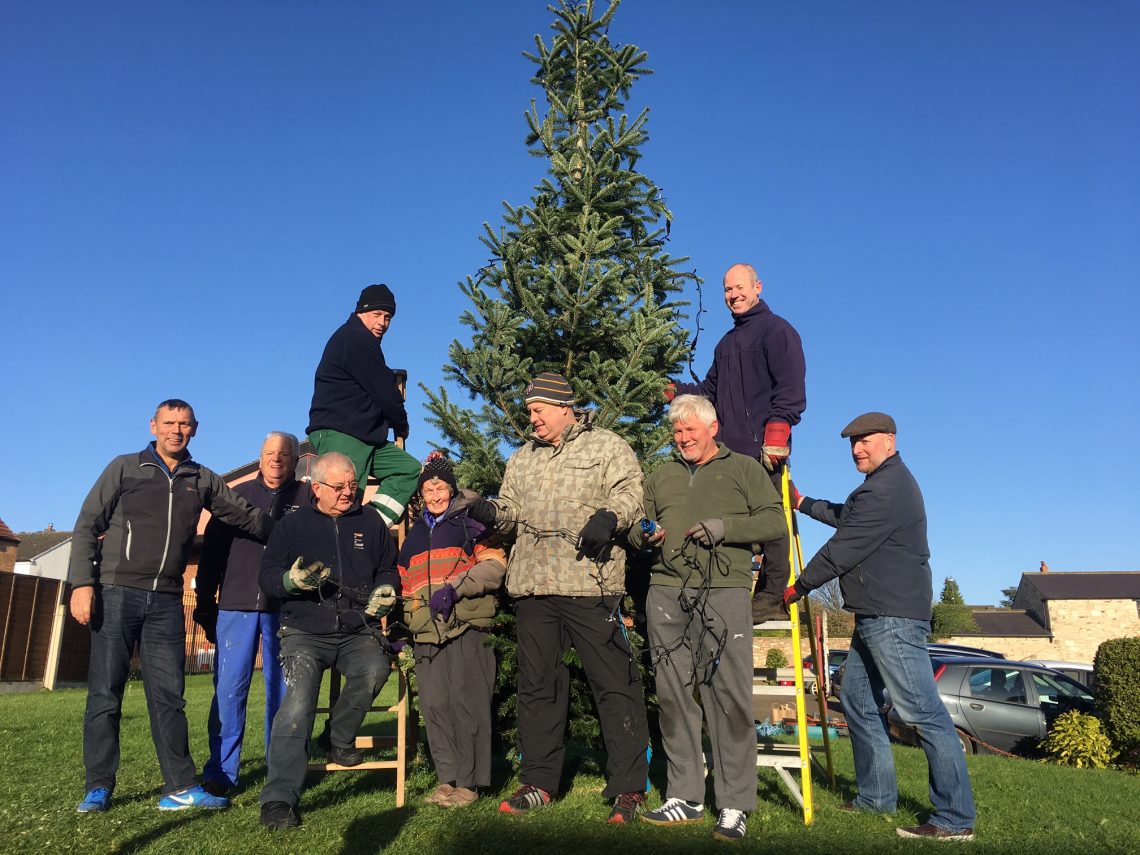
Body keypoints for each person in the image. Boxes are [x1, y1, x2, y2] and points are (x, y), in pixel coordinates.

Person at [457, 372, 650, 823]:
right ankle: (539, 781)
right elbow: (510, 513)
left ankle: (628, 787)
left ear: (564, 407)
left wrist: (609, 517)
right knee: (538, 687)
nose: (532, 419)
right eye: (528, 412)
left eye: (538, 410)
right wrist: (487, 510)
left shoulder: (606, 446)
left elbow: (632, 496)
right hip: (532, 586)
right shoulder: (522, 458)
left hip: (590, 584)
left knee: (614, 684)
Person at [68, 399, 274, 813]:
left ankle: (179, 786)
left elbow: (244, 514)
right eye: (168, 423)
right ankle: (99, 785)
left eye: (183, 424)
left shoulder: (201, 479)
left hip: (165, 600)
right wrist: (81, 584)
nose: (175, 430)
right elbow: (88, 524)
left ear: (195, 429)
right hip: (115, 591)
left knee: (169, 696)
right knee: (106, 694)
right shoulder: (124, 468)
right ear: (153, 425)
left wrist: (295, 533)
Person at [784, 412, 976, 841]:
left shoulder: (889, 488)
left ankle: (954, 819)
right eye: (852, 443)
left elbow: (842, 549)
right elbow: (844, 515)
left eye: (864, 441)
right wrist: (801, 502)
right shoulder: (877, 488)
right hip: (874, 616)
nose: (856, 449)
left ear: (889, 440)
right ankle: (877, 797)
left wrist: (796, 588)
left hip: (893, 618)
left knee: (922, 713)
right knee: (856, 701)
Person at [632, 395, 784, 842]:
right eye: (676, 432)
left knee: (728, 696)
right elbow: (638, 522)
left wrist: (726, 528)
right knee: (673, 694)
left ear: (712, 428)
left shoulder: (744, 469)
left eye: (690, 431)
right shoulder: (661, 475)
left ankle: (734, 803)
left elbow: (775, 520)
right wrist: (645, 532)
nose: (682, 439)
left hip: (724, 591)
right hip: (666, 591)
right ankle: (685, 796)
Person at [257, 452, 399, 830]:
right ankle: (278, 799)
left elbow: (387, 566)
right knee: (299, 702)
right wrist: (290, 581)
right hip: (303, 631)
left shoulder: (371, 522)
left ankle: (338, 738)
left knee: (374, 669)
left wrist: (387, 588)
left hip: (358, 628)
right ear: (316, 488)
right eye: (339, 487)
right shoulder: (291, 525)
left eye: (353, 485)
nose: (348, 493)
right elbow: (267, 576)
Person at [668, 262, 806, 624]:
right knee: (729, 521)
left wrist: (777, 433)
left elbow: (790, 387)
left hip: (764, 452)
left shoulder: (777, 332)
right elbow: (708, 393)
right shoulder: (726, 344)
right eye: (728, 290)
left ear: (758, 287)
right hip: (727, 452)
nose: (734, 295)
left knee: (772, 522)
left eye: (740, 288)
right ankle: (727, 587)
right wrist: (675, 393)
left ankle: (773, 595)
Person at [194, 431, 307, 796]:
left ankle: (280, 771)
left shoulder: (307, 499)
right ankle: (221, 773)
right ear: (260, 457)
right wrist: (206, 605)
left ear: (295, 460)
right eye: (270, 453)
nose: (277, 460)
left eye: (284, 454)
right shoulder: (236, 497)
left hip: (286, 609)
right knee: (229, 690)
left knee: (283, 692)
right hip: (236, 606)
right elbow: (210, 555)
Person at [398, 451, 507, 809]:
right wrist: (400, 625)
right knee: (436, 705)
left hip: (467, 625)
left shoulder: (471, 525)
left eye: (440, 486)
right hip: (426, 633)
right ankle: (447, 778)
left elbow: (495, 569)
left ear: (452, 488)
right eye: (428, 488)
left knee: (468, 702)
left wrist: (456, 587)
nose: (434, 494)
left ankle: (470, 783)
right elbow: (402, 585)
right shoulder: (413, 537)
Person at [307, 283, 420, 526]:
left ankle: (370, 527)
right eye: (376, 314)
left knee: (408, 469)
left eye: (388, 317)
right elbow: (385, 392)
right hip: (344, 433)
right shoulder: (355, 338)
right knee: (343, 498)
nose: (382, 323)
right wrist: (401, 423)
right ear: (360, 312)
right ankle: (341, 540)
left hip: (367, 437)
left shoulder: (361, 341)